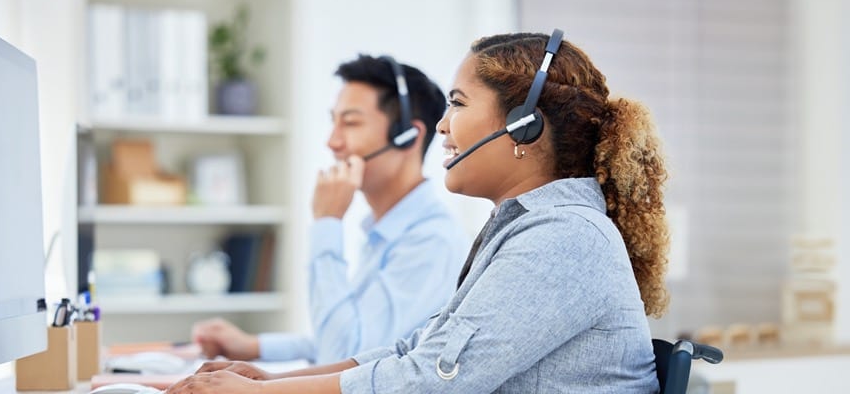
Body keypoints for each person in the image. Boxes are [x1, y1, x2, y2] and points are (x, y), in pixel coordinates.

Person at [168, 30, 669, 393]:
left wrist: (261, 393)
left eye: (457, 104)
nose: (443, 126)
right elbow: (416, 351)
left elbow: (434, 378)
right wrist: (273, 380)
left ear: (523, 127)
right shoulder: (527, 229)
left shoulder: (563, 238)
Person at [192, 55, 467, 365]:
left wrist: (327, 222)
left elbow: (344, 358)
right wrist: (255, 346)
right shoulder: (389, 230)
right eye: (333, 121)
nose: (332, 142)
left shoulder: (430, 242)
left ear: (408, 136)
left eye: (349, 123)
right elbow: (347, 338)